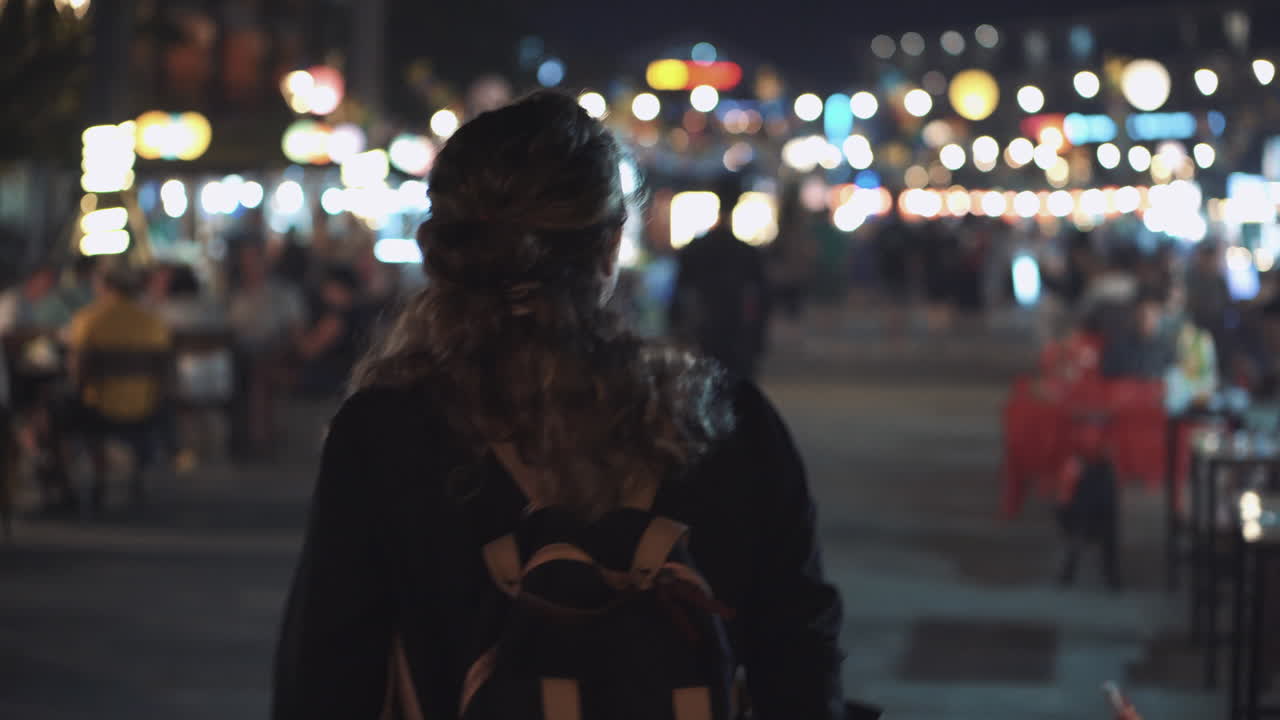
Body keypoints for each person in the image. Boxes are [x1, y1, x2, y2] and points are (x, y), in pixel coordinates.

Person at [273, 91, 845, 719]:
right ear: (607, 249)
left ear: (444, 253)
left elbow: (325, 675)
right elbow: (800, 660)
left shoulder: (387, 433)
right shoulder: (725, 420)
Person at [63, 264, 172, 510]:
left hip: (100, 406)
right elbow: (164, 368)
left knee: (61, 408)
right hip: (146, 406)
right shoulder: (153, 321)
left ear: (105, 287)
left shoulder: (88, 319)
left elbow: (78, 369)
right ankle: (139, 475)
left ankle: (83, 480)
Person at [668, 176, 771, 379]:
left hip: (703, 334)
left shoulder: (696, 249)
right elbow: (761, 300)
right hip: (737, 336)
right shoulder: (746, 253)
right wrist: (756, 339)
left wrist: (678, 329)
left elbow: (680, 295)